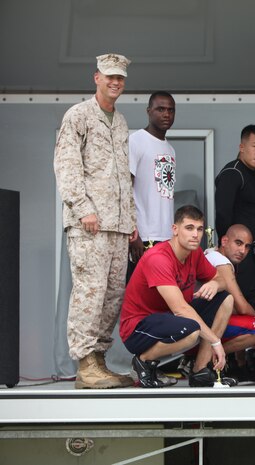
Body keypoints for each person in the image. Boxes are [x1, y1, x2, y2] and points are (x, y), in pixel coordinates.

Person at [54, 53, 137, 389]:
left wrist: (131, 220)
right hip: (90, 223)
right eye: (109, 76)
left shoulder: (120, 121)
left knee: (112, 295)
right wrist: (83, 206)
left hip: (117, 226)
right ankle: (85, 363)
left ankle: (99, 361)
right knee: (90, 292)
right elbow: (67, 165)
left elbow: (123, 176)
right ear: (96, 78)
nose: (114, 82)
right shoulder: (79, 115)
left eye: (120, 78)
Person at [120, 205, 237, 388]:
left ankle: (199, 371)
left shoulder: (194, 253)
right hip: (138, 327)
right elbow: (180, 309)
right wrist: (215, 341)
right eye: (189, 228)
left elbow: (221, 279)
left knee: (225, 299)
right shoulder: (158, 258)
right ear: (175, 229)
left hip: (170, 319)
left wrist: (215, 283)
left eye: (199, 229)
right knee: (191, 331)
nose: (195, 235)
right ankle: (143, 360)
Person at [203, 224, 255, 383]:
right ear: (224, 241)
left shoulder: (210, 253)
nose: (243, 251)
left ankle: (234, 363)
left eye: (247, 247)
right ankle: (206, 357)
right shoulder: (221, 262)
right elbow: (242, 306)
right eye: (238, 243)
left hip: (201, 323)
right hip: (202, 327)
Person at [215, 124, 255, 294]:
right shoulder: (233, 172)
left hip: (249, 253)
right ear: (242, 147)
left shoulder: (251, 175)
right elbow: (223, 214)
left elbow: (253, 218)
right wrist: (227, 253)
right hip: (236, 255)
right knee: (237, 306)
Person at [128, 91, 177, 278]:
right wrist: (133, 233)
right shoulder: (135, 141)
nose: (166, 114)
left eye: (171, 110)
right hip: (143, 237)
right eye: (161, 109)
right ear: (149, 111)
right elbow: (125, 190)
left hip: (166, 238)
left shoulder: (170, 148)